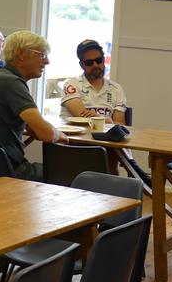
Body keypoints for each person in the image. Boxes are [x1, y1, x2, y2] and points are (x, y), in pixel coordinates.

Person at [0, 30, 66, 180]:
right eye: (42, 55)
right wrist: (60, 134)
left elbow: (34, 128)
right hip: (2, 174)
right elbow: (46, 134)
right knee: (67, 175)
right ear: (21, 54)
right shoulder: (12, 83)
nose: (47, 61)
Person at [60, 39, 151, 185]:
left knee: (113, 143)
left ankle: (123, 186)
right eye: (89, 62)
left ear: (103, 60)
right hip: (75, 144)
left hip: (106, 144)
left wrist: (96, 118)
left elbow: (119, 124)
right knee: (111, 144)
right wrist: (106, 120)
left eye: (99, 60)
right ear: (81, 65)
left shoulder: (116, 89)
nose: (95, 65)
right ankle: (137, 174)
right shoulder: (71, 84)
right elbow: (80, 115)